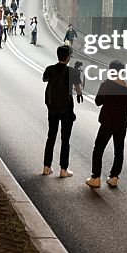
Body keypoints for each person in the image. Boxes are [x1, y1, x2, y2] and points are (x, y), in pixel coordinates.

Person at [86, 60, 127, 189]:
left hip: (107, 122)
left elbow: (98, 101)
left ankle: (95, 178)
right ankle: (114, 177)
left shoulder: (106, 85)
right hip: (122, 123)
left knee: (98, 149)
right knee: (119, 150)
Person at [43, 45, 83, 177]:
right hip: (67, 109)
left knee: (51, 136)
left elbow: (45, 79)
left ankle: (46, 167)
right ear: (68, 57)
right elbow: (78, 89)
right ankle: (63, 170)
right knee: (65, 139)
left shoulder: (50, 69)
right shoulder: (72, 72)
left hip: (52, 107)